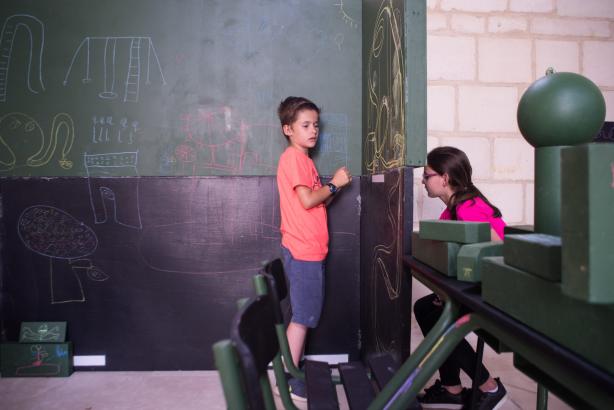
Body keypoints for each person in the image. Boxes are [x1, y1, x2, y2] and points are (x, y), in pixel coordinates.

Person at [415, 146, 507, 410]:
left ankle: (489, 388)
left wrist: (449, 295)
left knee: (436, 314)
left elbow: (496, 252)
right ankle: (452, 388)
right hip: (476, 285)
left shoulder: (470, 209)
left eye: (427, 175)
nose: (423, 181)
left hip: (495, 291)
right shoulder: (453, 208)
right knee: (425, 308)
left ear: (444, 178)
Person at [276, 96, 351, 401]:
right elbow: (308, 200)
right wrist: (334, 184)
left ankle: (292, 370)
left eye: (316, 125)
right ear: (287, 129)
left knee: (303, 315)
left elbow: (316, 201)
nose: (313, 131)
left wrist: (334, 188)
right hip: (303, 248)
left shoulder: (304, 160)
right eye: (305, 125)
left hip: (310, 248)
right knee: (303, 317)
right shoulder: (293, 159)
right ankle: (292, 383)